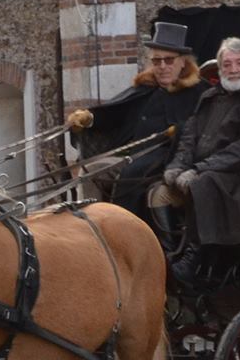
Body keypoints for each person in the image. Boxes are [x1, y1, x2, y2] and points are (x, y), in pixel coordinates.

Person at [157, 37, 240, 283]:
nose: (234, 69)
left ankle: (194, 259)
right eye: (227, 64)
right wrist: (177, 166)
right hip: (204, 172)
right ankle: (168, 252)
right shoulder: (209, 98)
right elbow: (189, 138)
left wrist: (197, 169)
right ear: (220, 69)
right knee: (156, 191)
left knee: (203, 184)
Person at [71, 20, 205, 226]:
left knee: (131, 174)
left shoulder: (199, 93)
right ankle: (92, 225)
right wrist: (89, 119)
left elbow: (203, 131)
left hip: (168, 161)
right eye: (156, 61)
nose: (162, 67)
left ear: (183, 62)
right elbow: (116, 113)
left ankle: (123, 228)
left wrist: (176, 132)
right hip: (130, 157)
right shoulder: (145, 89)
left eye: (168, 61)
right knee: (91, 170)